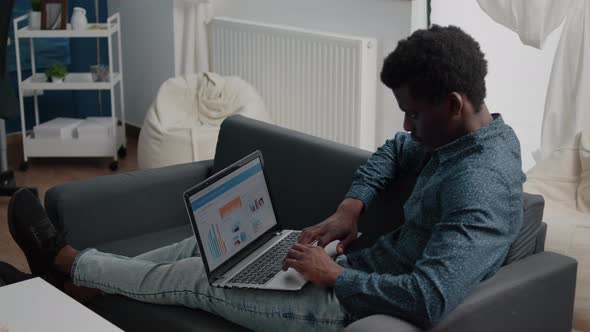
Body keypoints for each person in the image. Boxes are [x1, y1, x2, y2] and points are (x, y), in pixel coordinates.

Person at [1, 25, 525, 331]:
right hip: (350, 265)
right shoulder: (466, 136)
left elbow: (430, 298)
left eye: (413, 112)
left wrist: (334, 275)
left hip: (338, 305)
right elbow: (395, 150)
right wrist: (352, 206)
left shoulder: (479, 187)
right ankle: (85, 285)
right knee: (209, 245)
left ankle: (64, 260)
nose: (406, 124)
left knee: (199, 277)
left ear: (454, 104)